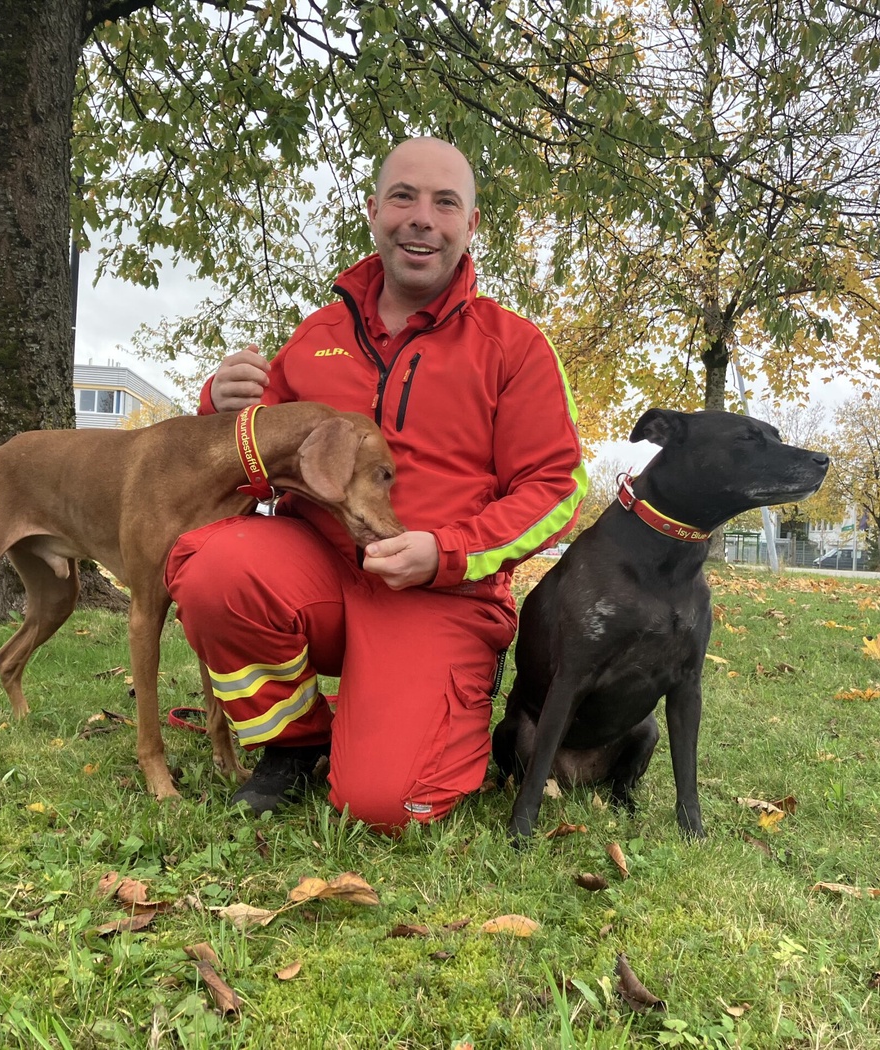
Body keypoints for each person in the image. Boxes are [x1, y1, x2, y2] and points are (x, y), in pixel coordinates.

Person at [165, 137, 586, 832]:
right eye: (403, 197)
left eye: (445, 202)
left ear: (470, 226)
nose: (422, 217)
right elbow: (246, 453)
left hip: (442, 594)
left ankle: (432, 708)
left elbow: (558, 489)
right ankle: (296, 742)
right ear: (373, 212)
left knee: (388, 805)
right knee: (214, 570)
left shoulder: (514, 346)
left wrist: (446, 552)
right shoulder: (317, 336)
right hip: (320, 575)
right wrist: (219, 400)